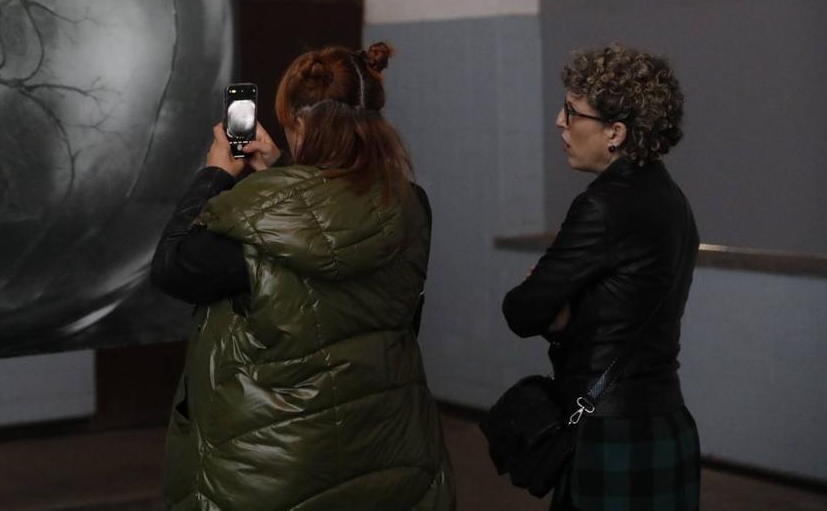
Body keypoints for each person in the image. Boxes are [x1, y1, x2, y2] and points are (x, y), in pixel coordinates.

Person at [151, 42, 454, 511]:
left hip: (271, 463)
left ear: (298, 122)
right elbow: (331, 223)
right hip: (386, 444)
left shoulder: (254, 220)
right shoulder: (411, 205)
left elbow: (173, 265)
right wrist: (282, 169)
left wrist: (214, 174)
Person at [502, 44, 700, 511]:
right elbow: (628, 310)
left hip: (609, 431)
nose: (559, 121)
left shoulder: (602, 206)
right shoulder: (673, 200)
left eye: (573, 112)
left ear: (615, 132)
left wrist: (556, 313)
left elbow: (521, 310)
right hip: (665, 420)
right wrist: (568, 319)